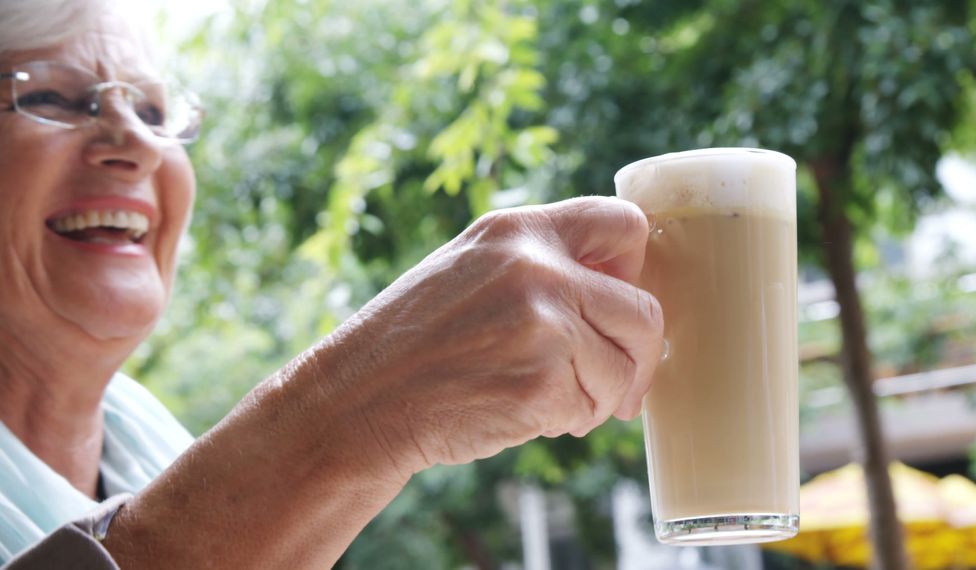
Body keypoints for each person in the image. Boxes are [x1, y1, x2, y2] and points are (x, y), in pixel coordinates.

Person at [0, 0, 664, 568]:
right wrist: (358, 411)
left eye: (153, 109)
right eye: (52, 96)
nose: (137, 142)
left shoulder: (148, 440)